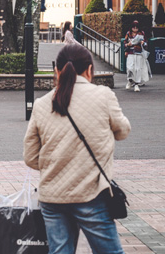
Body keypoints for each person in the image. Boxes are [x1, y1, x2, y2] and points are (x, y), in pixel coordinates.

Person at [24, 43, 131, 254]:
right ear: (90, 70)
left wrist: (56, 163)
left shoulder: (42, 103)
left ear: (57, 70)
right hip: (92, 193)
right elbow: (123, 131)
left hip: (52, 196)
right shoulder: (103, 95)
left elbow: (30, 156)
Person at [123, 22, 150, 92]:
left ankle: (136, 84)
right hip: (130, 52)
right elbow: (124, 43)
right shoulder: (128, 33)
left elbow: (146, 43)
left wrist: (143, 43)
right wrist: (127, 44)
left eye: (136, 27)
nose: (135, 29)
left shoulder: (142, 33)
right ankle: (130, 80)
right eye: (133, 27)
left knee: (138, 69)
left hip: (139, 52)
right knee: (130, 68)